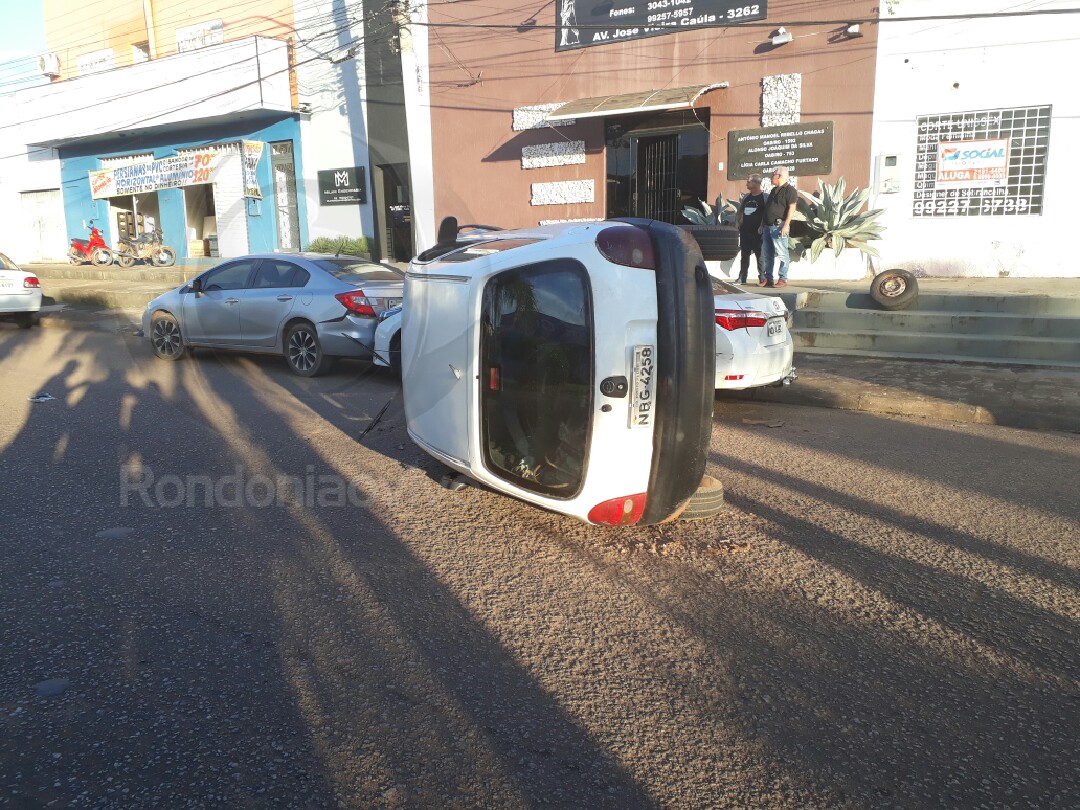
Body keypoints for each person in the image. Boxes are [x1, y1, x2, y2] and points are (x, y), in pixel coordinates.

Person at [758, 166, 799, 288]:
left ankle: (782, 278)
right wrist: (761, 224)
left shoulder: (790, 190)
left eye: (773, 175)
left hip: (779, 227)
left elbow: (792, 208)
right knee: (768, 254)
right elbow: (767, 209)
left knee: (782, 254)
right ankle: (768, 279)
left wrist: (786, 225)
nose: (771, 177)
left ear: (779, 176)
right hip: (767, 227)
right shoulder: (773, 190)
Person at [735, 174, 766, 284]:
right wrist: (737, 222)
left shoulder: (764, 197)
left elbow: (766, 214)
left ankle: (762, 277)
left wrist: (762, 226)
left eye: (749, 182)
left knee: (760, 255)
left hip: (758, 232)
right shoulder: (746, 197)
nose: (746, 184)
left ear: (756, 183)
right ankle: (742, 277)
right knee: (744, 255)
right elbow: (740, 211)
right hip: (745, 231)